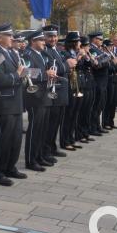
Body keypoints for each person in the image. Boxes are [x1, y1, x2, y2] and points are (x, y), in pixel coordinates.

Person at [0, 23, 28, 183]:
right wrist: (17, 75)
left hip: (14, 101)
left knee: (16, 138)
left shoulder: (9, 52)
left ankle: (10, 167)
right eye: (9, 35)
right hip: (3, 103)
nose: (13, 38)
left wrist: (23, 74)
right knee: (3, 138)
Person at [24, 30, 52, 172]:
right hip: (35, 97)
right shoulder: (28, 54)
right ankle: (31, 160)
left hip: (43, 95)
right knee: (35, 129)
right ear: (33, 41)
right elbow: (26, 73)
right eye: (41, 40)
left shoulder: (40, 54)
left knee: (42, 129)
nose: (44, 42)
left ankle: (39, 156)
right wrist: (45, 74)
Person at [42, 24, 70, 160]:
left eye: (54, 36)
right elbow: (53, 69)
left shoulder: (56, 50)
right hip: (52, 92)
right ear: (44, 37)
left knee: (56, 123)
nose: (53, 39)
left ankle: (52, 147)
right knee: (50, 124)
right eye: (49, 36)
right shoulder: (45, 50)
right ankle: (46, 151)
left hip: (60, 92)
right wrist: (67, 65)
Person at [59, 32, 83, 152]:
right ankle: (65, 141)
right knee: (68, 115)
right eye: (78, 41)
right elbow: (69, 67)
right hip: (68, 86)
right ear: (73, 42)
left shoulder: (74, 52)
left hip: (75, 86)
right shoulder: (65, 53)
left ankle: (71, 138)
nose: (80, 43)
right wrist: (78, 57)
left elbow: (80, 66)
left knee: (74, 114)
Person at [87, 32, 109, 136]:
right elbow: (96, 64)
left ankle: (97, 126)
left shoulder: (99, 49)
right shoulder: (91, 49)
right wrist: (107, 60)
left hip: (103, 81)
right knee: (96, 105)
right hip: (97, 80)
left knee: (100, 105)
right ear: (94, 39)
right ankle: (93, 127)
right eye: (99, 39)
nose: (101, 41)